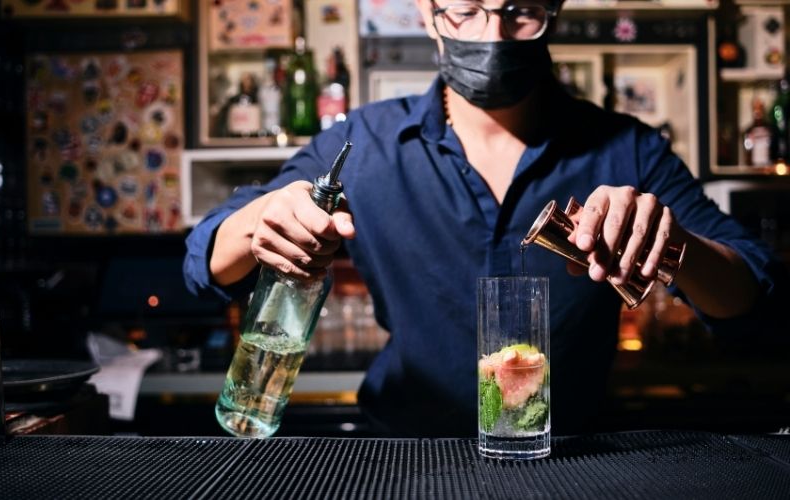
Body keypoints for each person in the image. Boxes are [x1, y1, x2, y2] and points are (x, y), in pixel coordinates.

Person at [184, 0, 789, 436]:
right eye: (466, 11)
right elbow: (204, 258)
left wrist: (675, 242)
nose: (493, 34)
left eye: (518, 11)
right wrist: (263, 218)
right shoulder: (366, 143)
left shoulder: (627, 149)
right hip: (403, 457)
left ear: (553, 12)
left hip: (569, 460)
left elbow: (752, 293)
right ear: (427, 13)